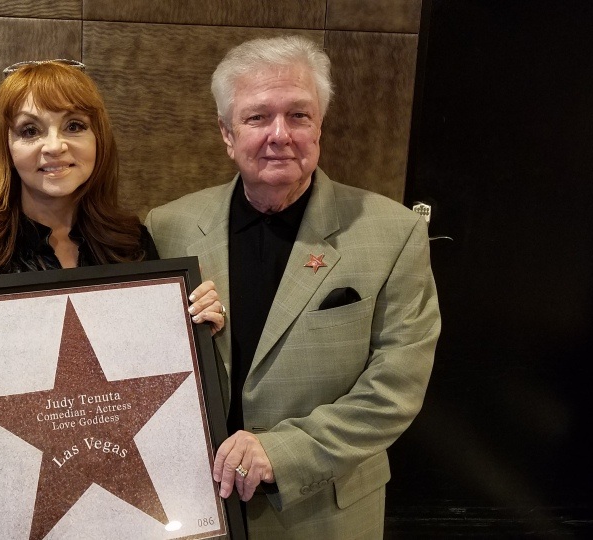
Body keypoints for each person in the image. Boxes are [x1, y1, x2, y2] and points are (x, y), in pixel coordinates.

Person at [145, 36, 441, 538]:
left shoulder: (394, 232)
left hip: (322, 513)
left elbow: (396, 388)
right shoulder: (166, 226)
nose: (279, 134)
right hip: (191, 507)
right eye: (257, 117)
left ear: (319, 126)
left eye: (298, 115)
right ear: (226, 132)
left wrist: (282, 452)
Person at [0, 60, 224, 357]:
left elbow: (156, 364)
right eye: (30, 130)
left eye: (74, 126)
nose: (54, 146)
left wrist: (195, 326)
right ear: (6, 148)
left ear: (99, 140)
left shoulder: (131, 245)